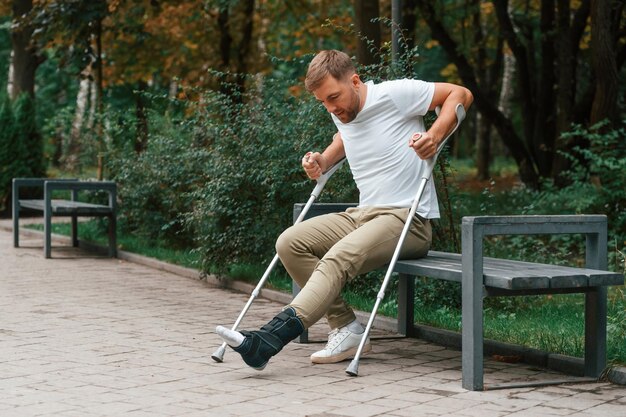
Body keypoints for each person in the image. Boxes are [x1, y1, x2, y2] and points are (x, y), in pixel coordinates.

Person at [216, 49, 473, 370]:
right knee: (289, 242)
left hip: (408, 219)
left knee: (337, 257)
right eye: (323, 101)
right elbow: (345, 136)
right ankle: (346, 327)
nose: (331, 107)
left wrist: (434, 135)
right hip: (362, 214)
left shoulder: (394, 94)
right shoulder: (341, 109)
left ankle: (267, 340)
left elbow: (460, 93)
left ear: (354, 81)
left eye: (334, 97)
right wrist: (322, 161)